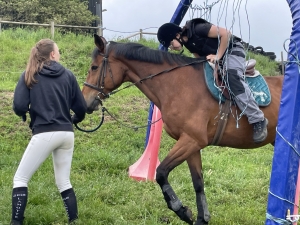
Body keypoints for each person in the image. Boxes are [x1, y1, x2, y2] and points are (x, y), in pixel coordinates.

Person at [11, 39, 87, 225]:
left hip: (45, 132)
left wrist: (24, 114)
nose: (59, 53)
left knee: (20, 179)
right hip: (67, 135)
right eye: (58, 51)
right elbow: (81, 108)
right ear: (52, 54)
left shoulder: (29, 74)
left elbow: (19, 105)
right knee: (64, 182)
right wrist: (73, 120)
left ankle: (16, 222)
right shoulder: (68, 75)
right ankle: (74, 221)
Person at [157, 18, 268, 143]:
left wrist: (218, 56)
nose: (171, 48)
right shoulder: (187, 43)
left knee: (231, 78)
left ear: (177, 35)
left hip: (233, 51)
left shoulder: (198, 28)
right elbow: (199, 58)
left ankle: (258, 119)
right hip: (218, 58)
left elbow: (226, 33)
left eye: (170, 44)